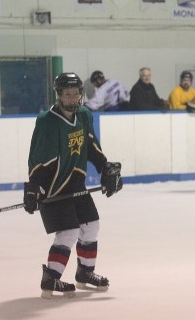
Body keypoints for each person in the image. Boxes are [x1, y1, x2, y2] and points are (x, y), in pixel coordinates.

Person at [24, 72, 123, 299]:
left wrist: (104, 168)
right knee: (68, 232)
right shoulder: (47, 121)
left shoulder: (85, 115)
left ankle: (85, 273)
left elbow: (91, 146)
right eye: (67, 94)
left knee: (91, 225)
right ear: (59, 95)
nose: (71, 98)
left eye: (75, 93)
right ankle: (51, 278)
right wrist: (33, 187)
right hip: (54, 187)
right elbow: (37, 158)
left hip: (76, 183)